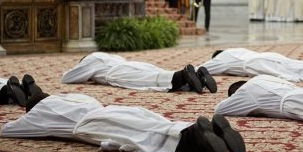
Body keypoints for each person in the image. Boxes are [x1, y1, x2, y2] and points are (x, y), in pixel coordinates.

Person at [0, 93, 245, 152]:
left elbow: (8, 130)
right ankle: (206, 130)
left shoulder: (40, 113)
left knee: (141, 137)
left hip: (93, 125)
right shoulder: (73, 96)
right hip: (113, 109)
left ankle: (196, 136)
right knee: (153, 123)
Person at [61, 52, 217, 93]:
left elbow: (68, 78)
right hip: (131, 65)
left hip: (117, 73)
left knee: (149, 81)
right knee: (156, 73)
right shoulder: (108, 56)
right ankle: (196, 78)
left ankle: (183, 75)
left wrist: (78, 67)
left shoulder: (91, 59)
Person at [199, 48, 303, 83]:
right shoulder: (235, 50)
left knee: (289, 72)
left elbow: (204, 68)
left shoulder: (220, 59)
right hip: (265, 56)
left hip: (254, 64)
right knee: (292, 65)